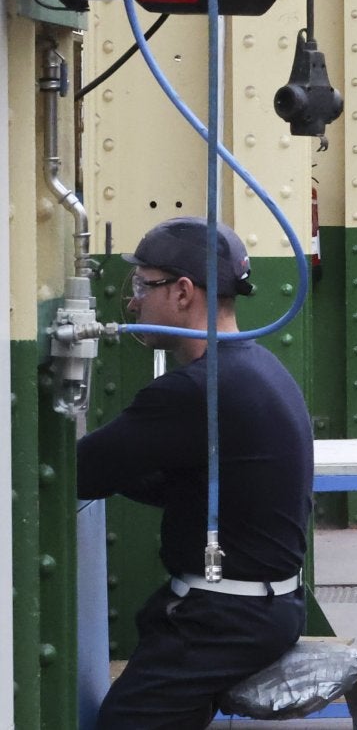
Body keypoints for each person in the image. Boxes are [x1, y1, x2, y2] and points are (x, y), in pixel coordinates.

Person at [77, 217, 313, 730]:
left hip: (228, 619)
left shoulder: (194, 390)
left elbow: (80, 472)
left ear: (183, 292)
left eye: (145, 284)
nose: (134, 300)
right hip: (265, 606)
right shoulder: (258, 366)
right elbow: (188, 487)